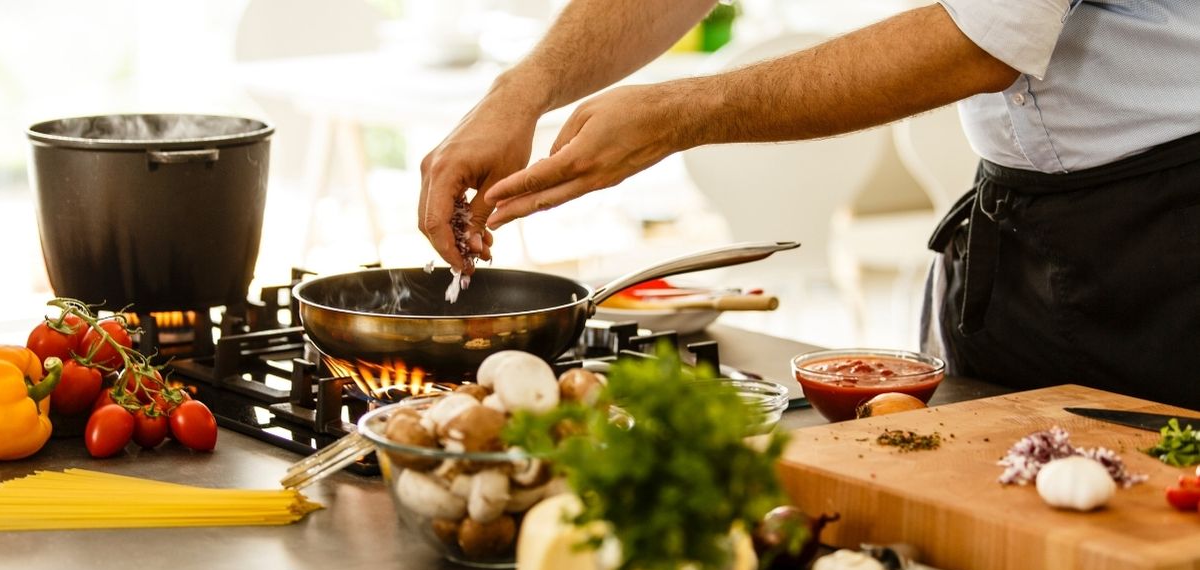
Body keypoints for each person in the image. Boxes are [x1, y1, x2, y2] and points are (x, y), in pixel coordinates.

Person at [418, 0, 1200, 410]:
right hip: (1026, 216)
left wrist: (681, 115)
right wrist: (523, 87)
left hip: (1167, 228)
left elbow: (982, 39)